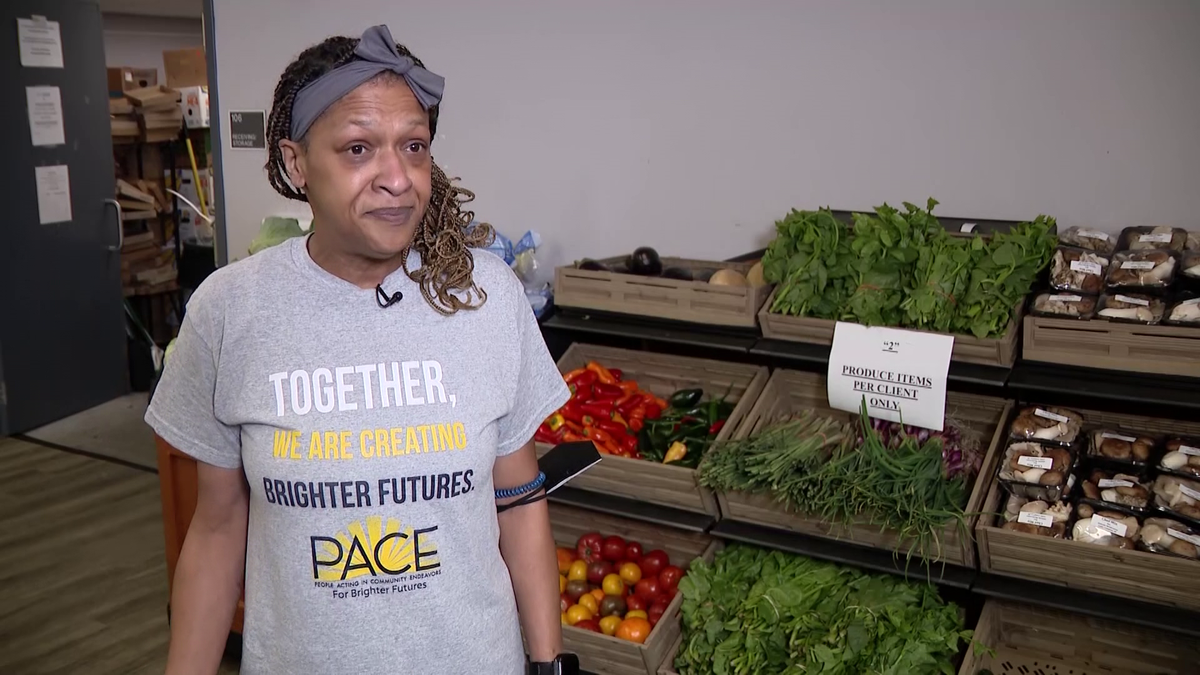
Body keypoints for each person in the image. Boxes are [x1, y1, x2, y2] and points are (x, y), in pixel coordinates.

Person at [146, 24, 578, 675]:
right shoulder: (232, 310)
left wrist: (550, 664)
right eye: (357, 148)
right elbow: (215, 528)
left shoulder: (485, 295)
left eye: (414, 146)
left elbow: (519, 501)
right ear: (296, 164)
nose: (397, 178)